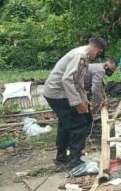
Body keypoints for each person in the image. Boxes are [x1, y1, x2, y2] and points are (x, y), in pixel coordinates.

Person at [44, 37, 107, 168]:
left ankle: (62, 156)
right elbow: (67, 80)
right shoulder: (80, 55)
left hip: (55, 92)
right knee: (78, 124)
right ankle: (75, 161)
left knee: (65, 123)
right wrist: (77, 103)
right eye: (98, 54)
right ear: (98, 50)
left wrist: (84, 100)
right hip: (58, 93)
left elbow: (78, 82)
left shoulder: (83, 55)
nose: (97, 57)